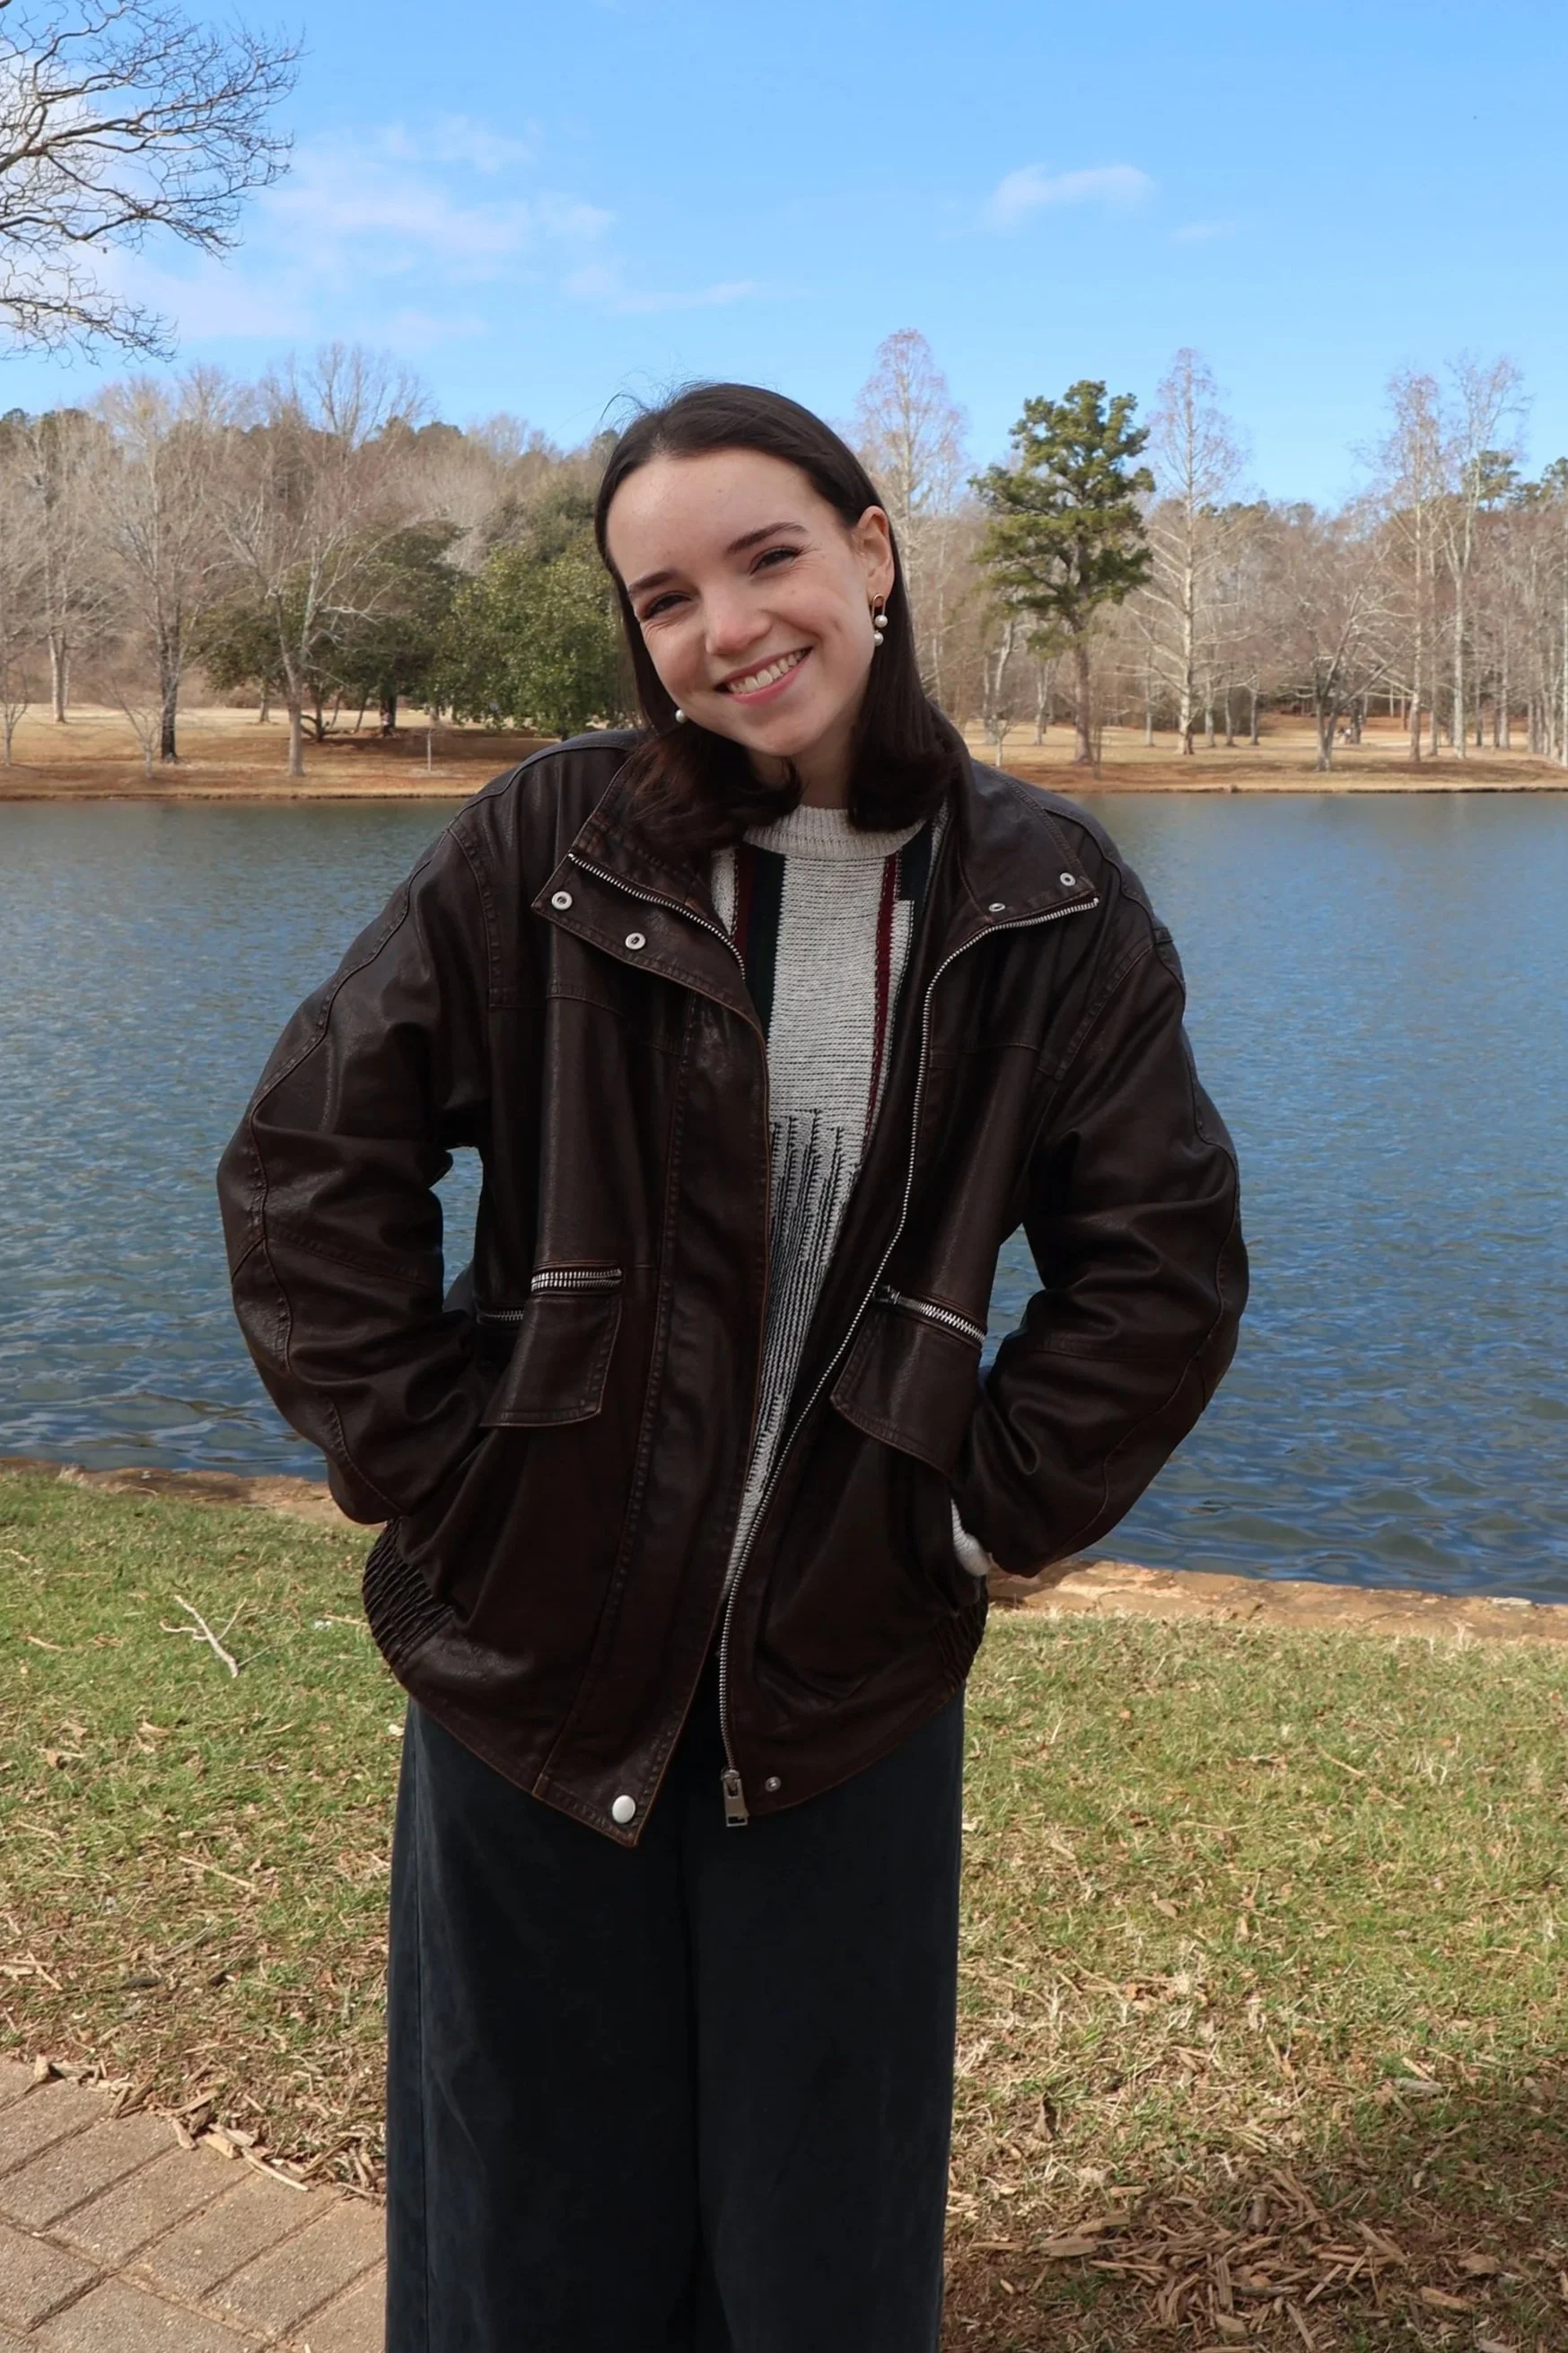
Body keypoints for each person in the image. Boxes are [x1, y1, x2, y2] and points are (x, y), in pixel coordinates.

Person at [217, 382, 1247, 2353]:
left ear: (871, 552)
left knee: (815, 2245)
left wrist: (976, 1520)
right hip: (533, 1658)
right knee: (527, 2235)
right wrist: (441, 1470)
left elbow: (1163, 1267)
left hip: (846, 1672)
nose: (727, 628)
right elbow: (306, 1163)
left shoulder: (1046, 892)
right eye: (666, 596)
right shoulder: (553, 839)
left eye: (767, 557)